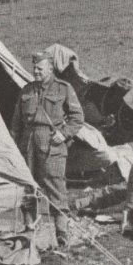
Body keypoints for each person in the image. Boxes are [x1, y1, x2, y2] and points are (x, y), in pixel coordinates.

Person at [11, 51, 85, 249]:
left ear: (50, 68)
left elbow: (77, 117)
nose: (35, 71)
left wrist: (64, 133)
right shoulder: (27, 90)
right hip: (28, 144)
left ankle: (61, 233)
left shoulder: (63, 88)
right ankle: (30, 229)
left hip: (52, 145)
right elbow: (16, 122)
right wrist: (15, 146)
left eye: (39, 68)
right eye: (34, 68)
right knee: (28, 187)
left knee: (55, 186)